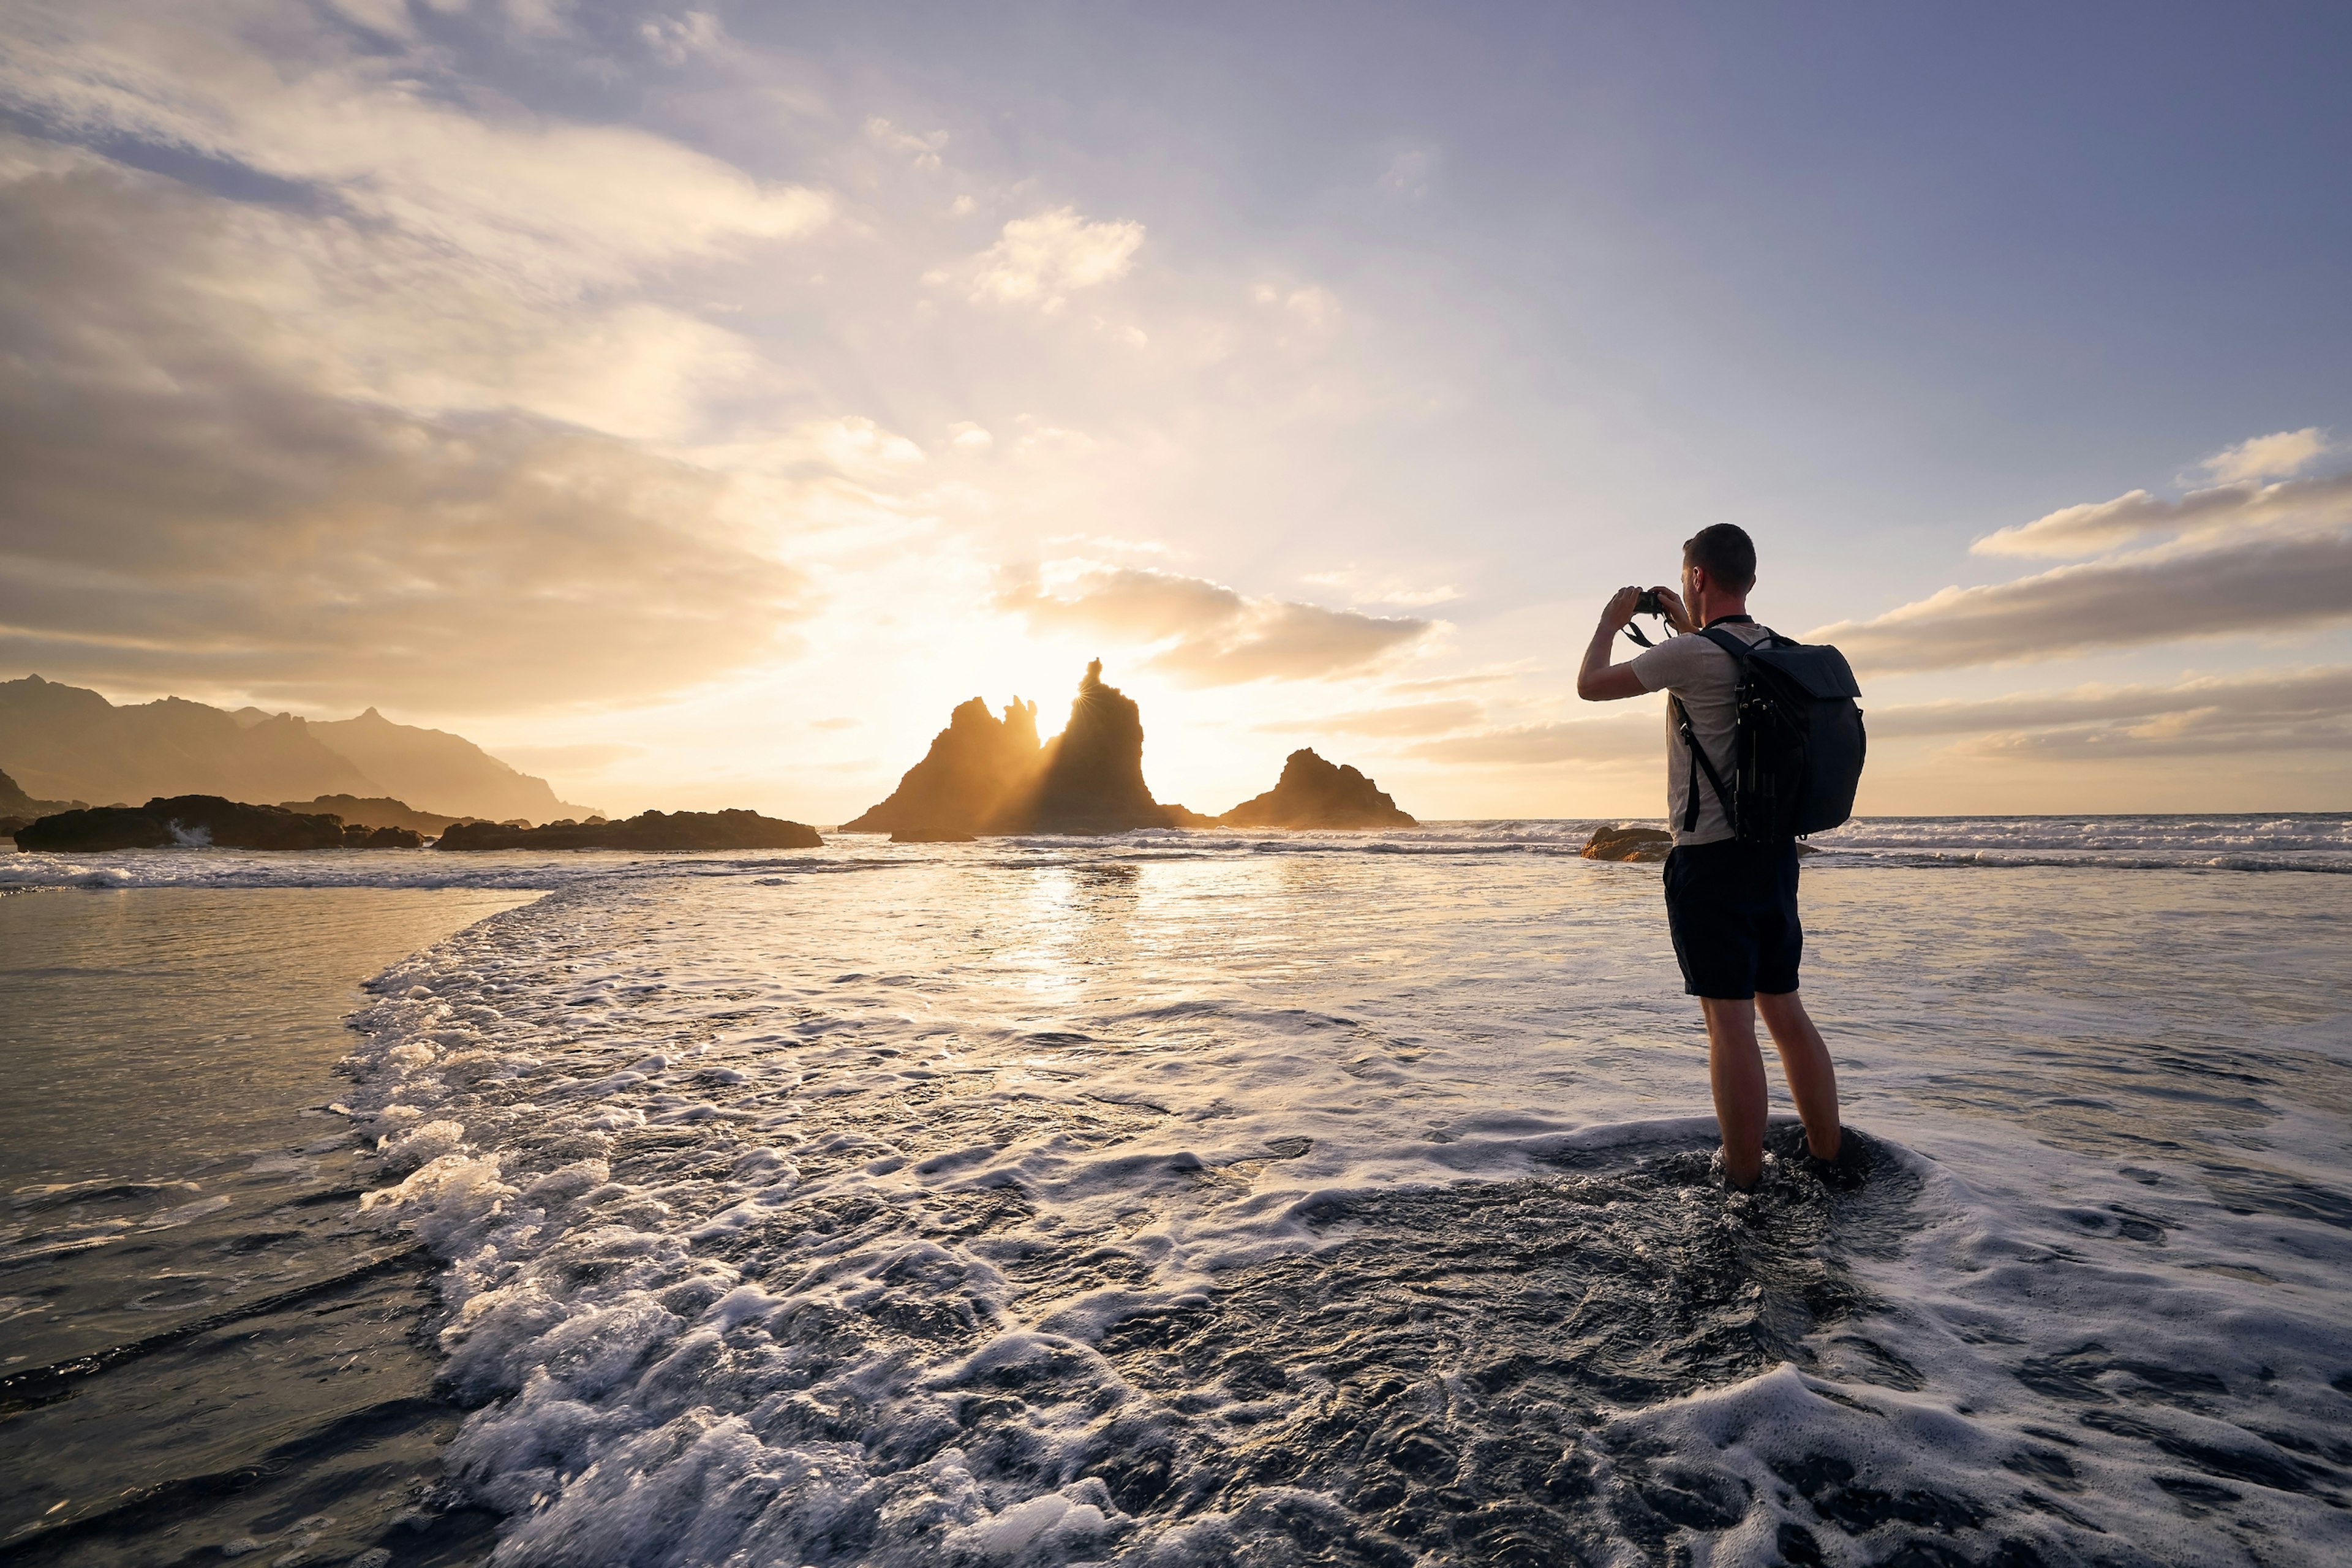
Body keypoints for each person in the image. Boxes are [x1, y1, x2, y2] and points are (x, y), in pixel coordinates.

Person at [1575, 523, 1843, 1190]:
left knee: (1730, 1025)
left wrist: (1611, 621)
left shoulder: (1689, 656)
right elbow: (1716, 662)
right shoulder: (1778, 650)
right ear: (1749, 578)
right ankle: (1828, 1157)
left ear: (1696, 576)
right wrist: (1682, 622)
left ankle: (1745, 1184)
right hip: (1777, 857)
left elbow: (1590, 684)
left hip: (1711, 863)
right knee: (1785, 1010)